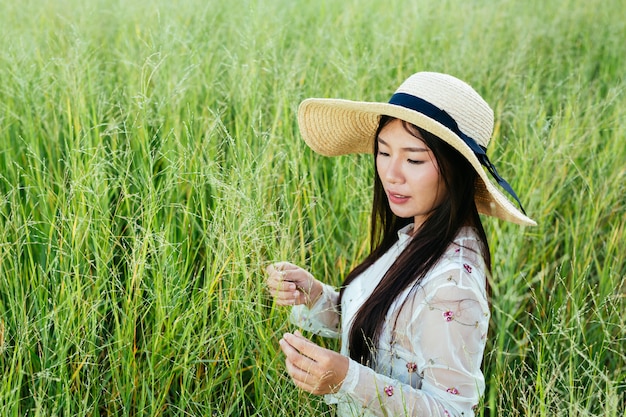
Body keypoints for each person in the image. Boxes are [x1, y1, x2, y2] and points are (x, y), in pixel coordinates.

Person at [266, 72, 536, 417]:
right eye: (383, 151)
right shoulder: (415, 236)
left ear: (456, 169)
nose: (391, 173)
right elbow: (386, 331)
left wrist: (348, 380)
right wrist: (316, 295)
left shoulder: (452, 287)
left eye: (414, 159)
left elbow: (452, 411)